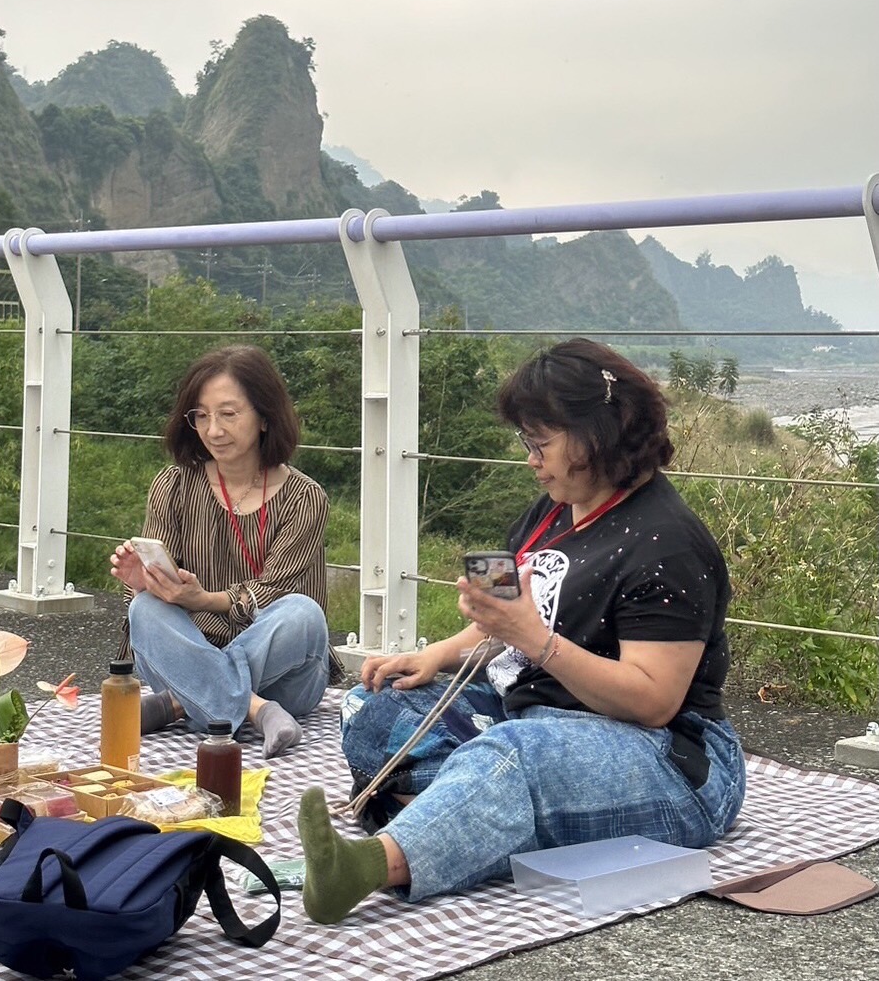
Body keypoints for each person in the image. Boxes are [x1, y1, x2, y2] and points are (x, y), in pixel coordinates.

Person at [298, 338, 746, 922]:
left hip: (667, 762)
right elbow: (504, 624)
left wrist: (534, 638)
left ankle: (370, 865)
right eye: (525, 443)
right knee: (374, 703)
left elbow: (653, 701)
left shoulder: (667, 544)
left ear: (597, 434)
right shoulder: (551, 509)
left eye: (541, 444)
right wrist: (438, 654)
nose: (531, 460)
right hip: (532, 717)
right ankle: (483, 818)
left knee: (512, 757)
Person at [111, 344, 336, 758]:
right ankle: (257, 709)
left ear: (265, 416)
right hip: (193, 651)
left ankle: (179, 703)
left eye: (228, 414)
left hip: (284, 670)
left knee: (304, 613)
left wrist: (203, 599)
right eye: (201, 416)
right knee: (143, 609)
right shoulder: (173, 486)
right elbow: (152, 605)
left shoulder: (304, 497)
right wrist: (146, 583)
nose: (213, 430)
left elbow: (273, 592)